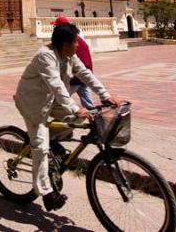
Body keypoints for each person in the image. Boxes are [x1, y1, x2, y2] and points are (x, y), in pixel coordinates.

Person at [14, 21, 118, 212]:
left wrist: (105, 95)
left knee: (79, 121)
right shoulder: (46, 56)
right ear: (65, 44)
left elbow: (86, 74)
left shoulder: (70, 56)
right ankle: (46, 193)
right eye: (75, 42)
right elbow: (56, 84)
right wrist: (74, 106)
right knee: (41, 146)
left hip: (52, 101)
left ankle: (53, 145)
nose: (78, 45)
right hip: (32, 103)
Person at [51, 16, 95, 109]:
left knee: (60, 102)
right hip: (85, 76)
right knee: (89, 105)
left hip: (75, 79)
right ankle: (95, 121)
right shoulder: (78, 38)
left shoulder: (68, 42)